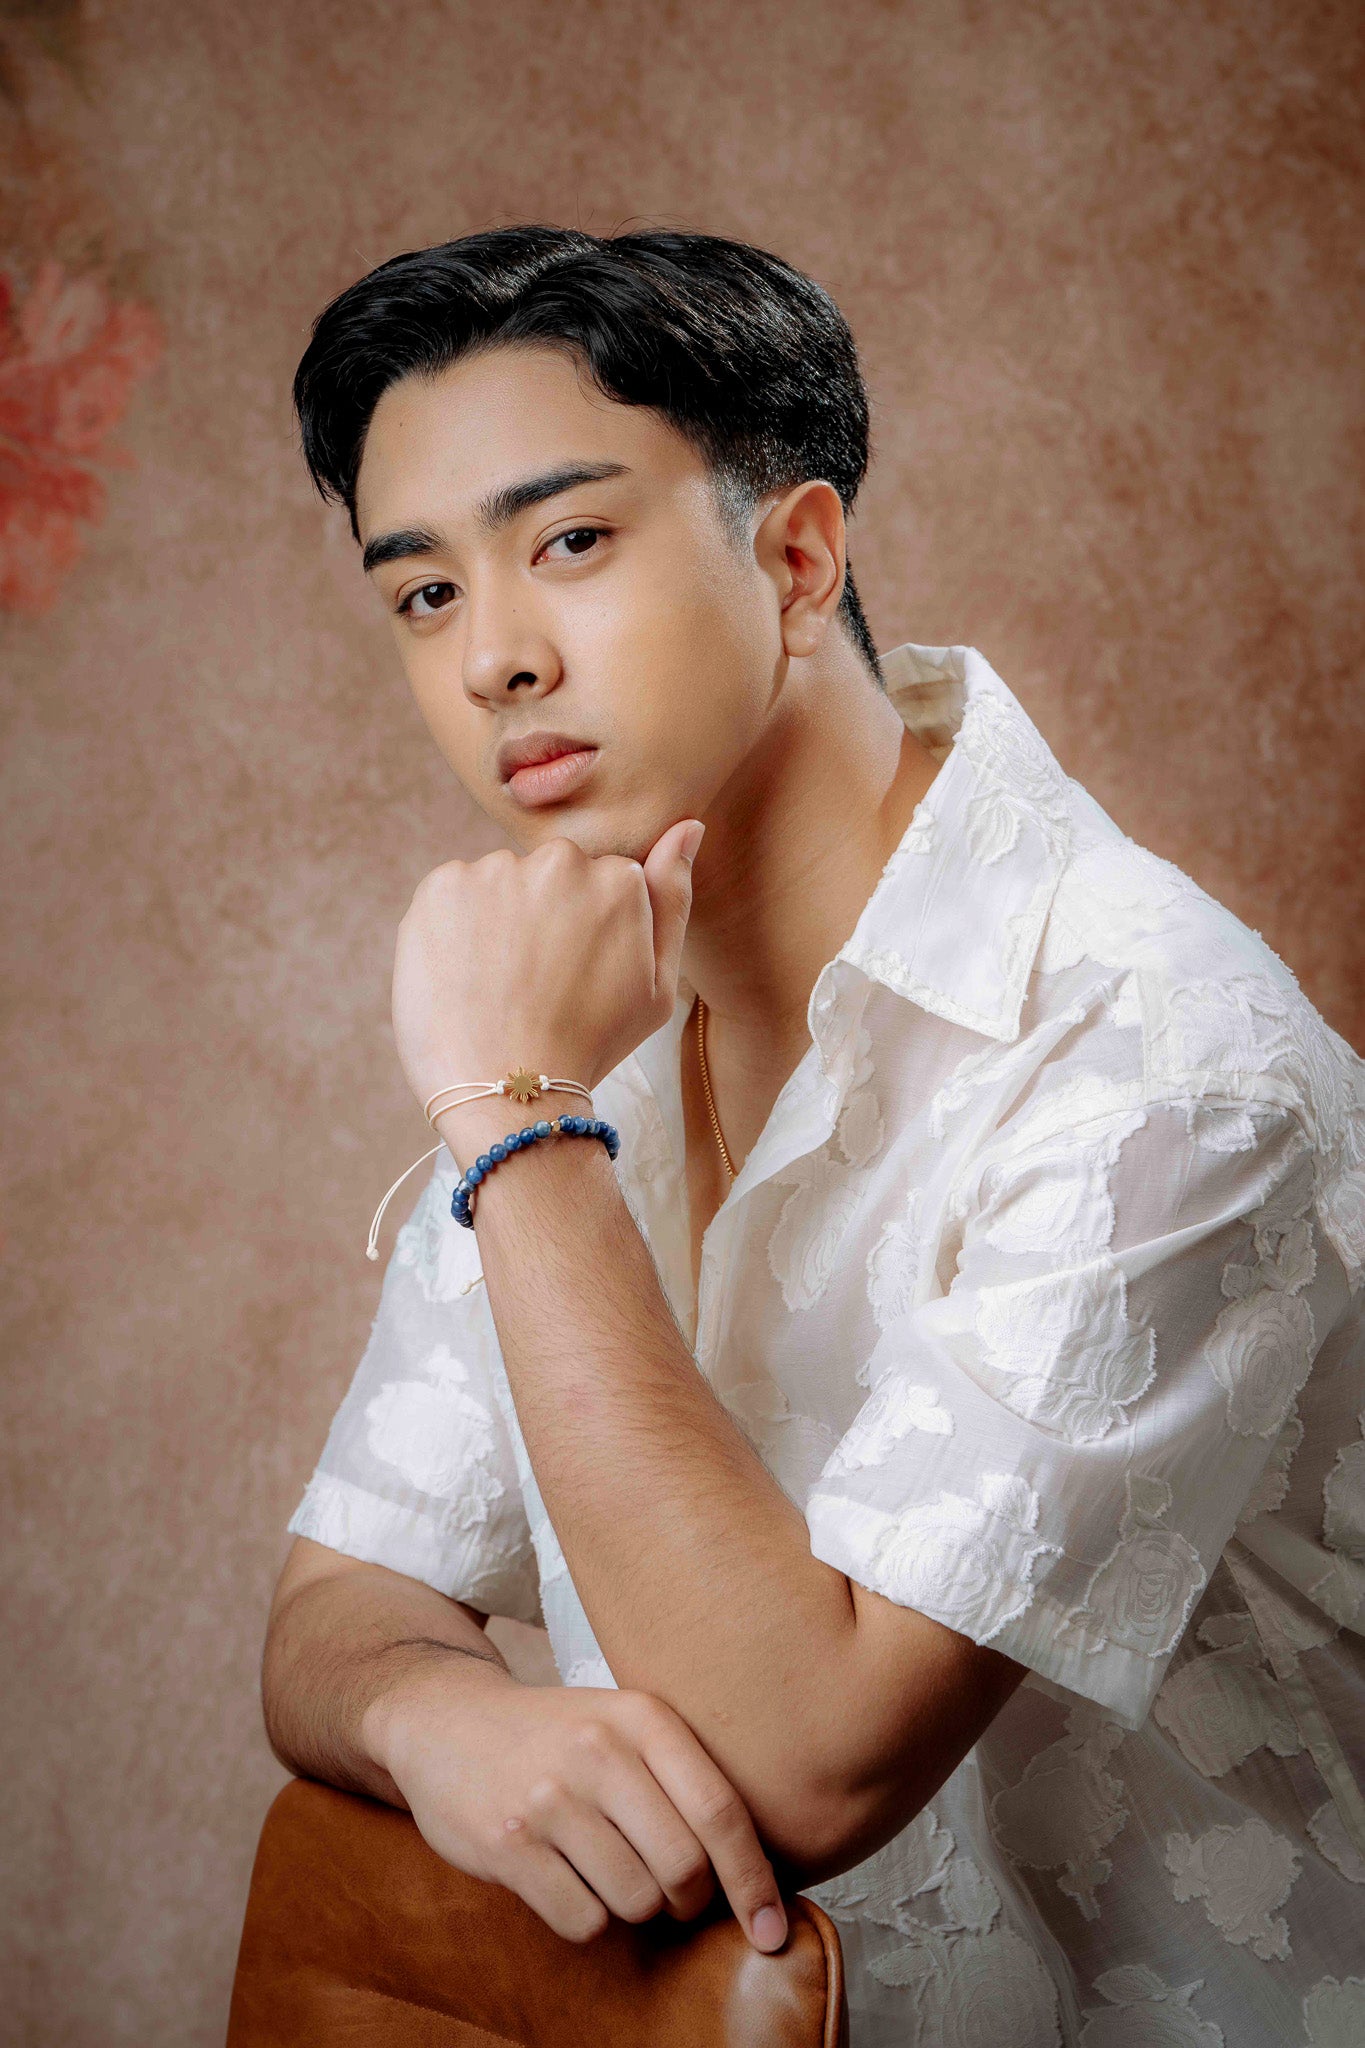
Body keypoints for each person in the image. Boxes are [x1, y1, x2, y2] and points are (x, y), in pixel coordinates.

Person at [262, 225, 1365, 2047]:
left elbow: (812, 1764)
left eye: (568, 543)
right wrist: (427, 1714)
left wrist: (515, 1123)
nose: (492, 660)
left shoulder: (1157, 1049)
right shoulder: (578, 1021)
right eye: (424, 594)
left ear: (793, 560)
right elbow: (335, 1605)